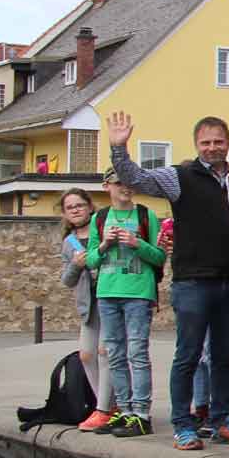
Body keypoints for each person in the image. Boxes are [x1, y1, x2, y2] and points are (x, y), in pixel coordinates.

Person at [105, 110, 229, 449]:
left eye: (219, 141)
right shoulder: (180, 176)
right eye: (206, 142)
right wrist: (119, 147)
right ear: (196, 145)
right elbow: (136, 178)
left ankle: (221, 421)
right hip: (193, 283)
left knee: (223, 357)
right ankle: (182, 425)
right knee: (187, 356)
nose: (213, 148)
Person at [84, 172, 162, 440]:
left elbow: (159, 255)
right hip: (107, 292)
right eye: (119, 183)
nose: (125, 188)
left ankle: (141, 413)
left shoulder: (145, 215)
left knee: (137, 352)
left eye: (129, 183)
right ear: (107, 187)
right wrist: (105, 244)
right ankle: (125, 409)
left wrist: (136, 243)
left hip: (138, 291)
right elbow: (91, 260)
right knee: (114, 353)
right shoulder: (99, 218)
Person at [59, 188, 111, 431]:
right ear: (65, 214)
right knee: (86, 355)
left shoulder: (101, 230)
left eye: (80, 205)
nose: (76, 210)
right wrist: (77, 265)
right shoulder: (68, 243)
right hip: (87, 307)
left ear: (90, 207)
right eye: (70, 207)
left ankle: (107, 408)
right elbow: (67, 280)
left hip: (108, 300)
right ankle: (104, 404)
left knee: (105, 352)